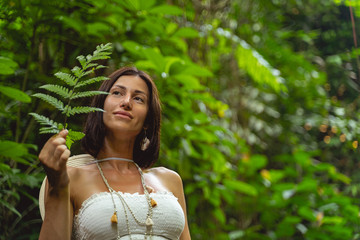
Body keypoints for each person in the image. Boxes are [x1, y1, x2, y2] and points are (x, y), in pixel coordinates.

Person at [38, 66, 191, 240]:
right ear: (100, 107)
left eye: (138, 98)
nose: (126, 102)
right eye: (117, 93)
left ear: (148, 120)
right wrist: (58, 187)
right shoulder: (70, 178)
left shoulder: (170, 180)